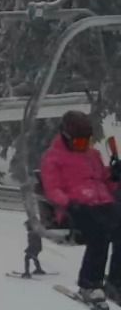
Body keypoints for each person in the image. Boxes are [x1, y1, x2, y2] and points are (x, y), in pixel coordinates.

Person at [41, 110, 121, 303]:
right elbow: (52, 189)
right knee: (100, 232)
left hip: (102, 203)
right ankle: (89, 284)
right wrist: (70, 203)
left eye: (87, 141)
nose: (83, 146)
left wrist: (114, 175)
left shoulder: (92, 155)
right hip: (75, 208)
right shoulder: (53, 158)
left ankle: (116, 282)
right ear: (67, 137)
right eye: (79, 142)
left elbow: (104, 182)